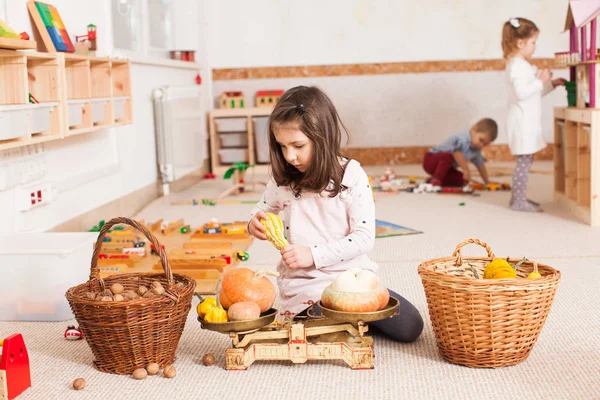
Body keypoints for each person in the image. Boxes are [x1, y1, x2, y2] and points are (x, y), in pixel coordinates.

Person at [247, 86, 423, 342]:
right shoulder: (283, 180)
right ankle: (341, 322)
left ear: (322, 137)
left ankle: (348, 319)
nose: (289, 156)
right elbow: (261, 210)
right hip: (306, 285)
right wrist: (254, 222)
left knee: (410, 327)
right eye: (282, 146)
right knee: (318, 327)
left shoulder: (351, 175)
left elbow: (364, 238)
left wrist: (313, 254)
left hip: (352, 278)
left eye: (298, 145)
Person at [503, 17, 566, 212]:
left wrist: (550, 84)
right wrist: (540, 80)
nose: (535, 47)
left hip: (526, 121)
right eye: (533, 43)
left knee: (526, 161)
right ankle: (518, 201)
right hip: (521, 122)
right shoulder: (516, 66)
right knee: (523, 162)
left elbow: (534, 93)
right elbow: (523, 93)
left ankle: (518, 199)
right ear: (520, 43)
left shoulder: (523, 65)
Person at [423, 118, 498, 188]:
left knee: (462, 179)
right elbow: (456, 153)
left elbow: (480, 165)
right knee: (449, 156)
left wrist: (487, 182)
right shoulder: (462, 138)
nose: (481, 145)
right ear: (474, 129)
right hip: (430, 161)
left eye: (485, 144)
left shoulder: (476, 149)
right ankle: (436, 181)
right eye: (481, 140)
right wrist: (466, 170)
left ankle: (431, 180)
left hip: (445, 169)